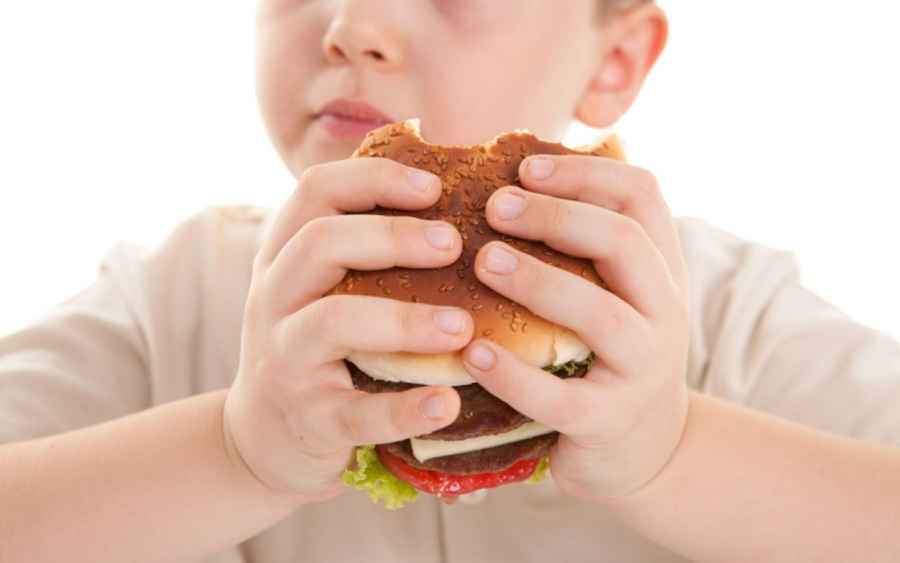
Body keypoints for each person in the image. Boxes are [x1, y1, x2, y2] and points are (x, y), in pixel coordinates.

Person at [2, 1, 899, 561]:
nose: (352, 25)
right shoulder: (173, 303)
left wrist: (675, 449)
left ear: (614, 62)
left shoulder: (726, 310)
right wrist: (236, 450)